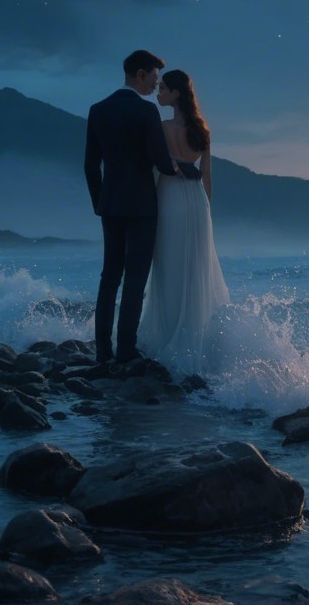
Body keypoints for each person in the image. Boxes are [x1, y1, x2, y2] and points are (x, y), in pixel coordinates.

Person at [84, 49, 179, 364]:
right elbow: (159, 160)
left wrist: (99, 201)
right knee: (135, 280)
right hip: (141, 207)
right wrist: (180, 168)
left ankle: (102, 351)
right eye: (153, 76)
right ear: (140, 74)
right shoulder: (146, 112)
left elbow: (89, 165)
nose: (155, 83)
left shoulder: (98, 109)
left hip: (109, 204)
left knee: (109, 276)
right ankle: (126, 350)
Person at [137, 68, 232, 376]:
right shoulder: (202, 129)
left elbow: (154, 166)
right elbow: (207, 178)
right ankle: (195, 341)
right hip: (197, 204)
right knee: (193, 270)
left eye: (163, 88)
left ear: (176, 93)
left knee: (168, 266)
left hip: (170, 199)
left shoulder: (161, 126)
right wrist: (206, 213)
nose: (158, 92)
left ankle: (165, 336)